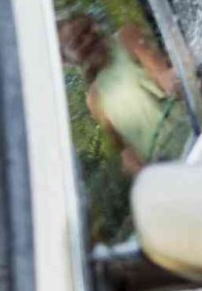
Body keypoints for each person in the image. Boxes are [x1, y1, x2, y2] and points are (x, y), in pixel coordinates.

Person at [58, 14, 191, 176]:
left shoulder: (125, 38)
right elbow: (126, 153)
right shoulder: (94, 99)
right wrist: (142, 173)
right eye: (77, 42)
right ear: (68, 60)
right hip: (173, 172)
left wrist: (172, 81)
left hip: (196, 132)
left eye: (86, 29)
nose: (88, 39)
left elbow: (162, 74)